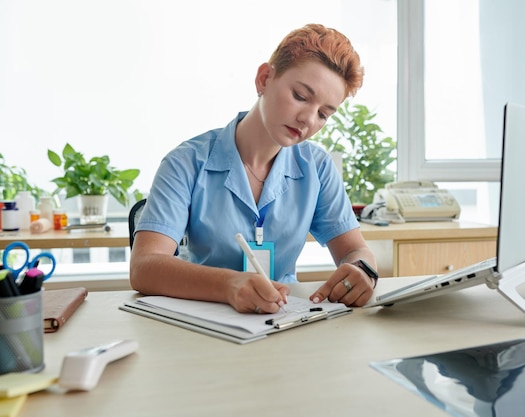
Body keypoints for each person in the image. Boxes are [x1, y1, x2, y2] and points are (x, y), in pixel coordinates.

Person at [130, 23, 378, 314]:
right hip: (201, 321)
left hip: (282, 320)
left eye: (324, 114)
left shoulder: (318, 167)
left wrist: (362, 270)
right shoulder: (185, 162)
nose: (308, 119)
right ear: (264, 79)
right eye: (300, 96)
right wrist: (228, 285)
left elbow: (355, 250)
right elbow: (144, 267)